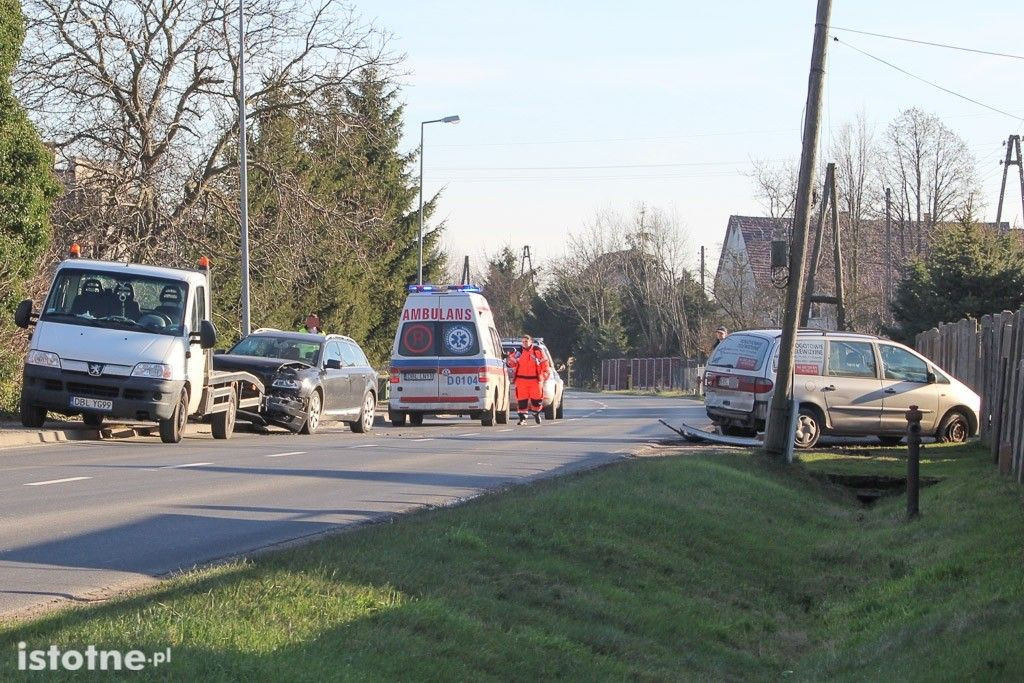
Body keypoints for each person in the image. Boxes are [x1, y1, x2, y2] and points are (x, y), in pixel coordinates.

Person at [507, 334, 549, 425]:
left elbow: (545, 364)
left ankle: (536, 413)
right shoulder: (518, 352)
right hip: (521, 380)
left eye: (526, 341)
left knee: (536, 400)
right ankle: (522, 418)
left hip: (535, 380)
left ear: (531, 342)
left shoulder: (538, 351)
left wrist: (543, 376)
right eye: (523, 342)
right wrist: (510, 357)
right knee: (522, 400)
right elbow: (511, 363)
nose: (524, 343)